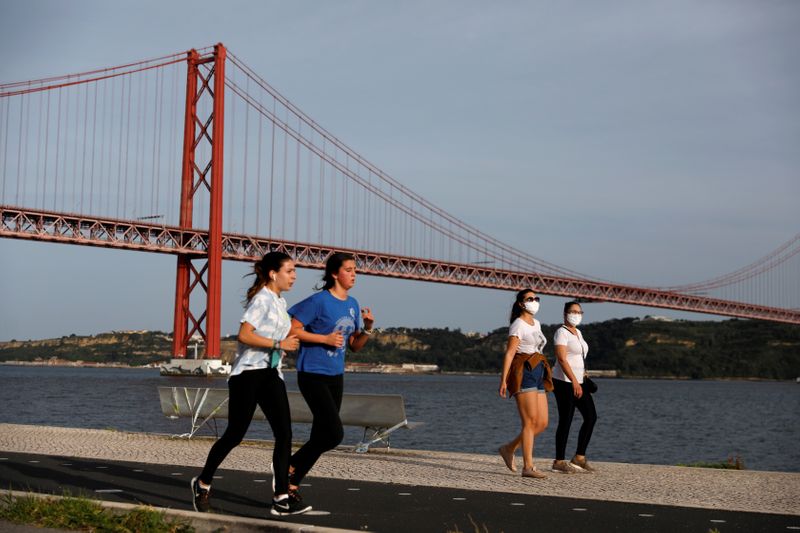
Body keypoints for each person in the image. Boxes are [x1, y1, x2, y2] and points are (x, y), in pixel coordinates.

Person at [190, 252, 312, 516]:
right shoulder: (262, 300)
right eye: (289, 271)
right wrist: (280, 344)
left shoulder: (280, 301)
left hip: (271, 374)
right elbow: (244, 335)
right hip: (248, 375)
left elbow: (287, 333)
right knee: (235, 435)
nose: (294, 276)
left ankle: (280, 498)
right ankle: (202, 483)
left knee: (285, 433)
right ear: (272, 274)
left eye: (294, 271)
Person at [285, 252, 375, 497]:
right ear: (334, 273)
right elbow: (292, 330)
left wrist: (367, 329)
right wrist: (323, 338)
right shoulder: (319, 301)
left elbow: (355, 346)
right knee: (334, 434)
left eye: (355, 269)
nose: (354, 273)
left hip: (336, 375)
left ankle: (291, 484)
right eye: (348, 269)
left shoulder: (353, 304)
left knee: (320, 434)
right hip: (312, 373)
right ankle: (287, 465)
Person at [498, 289, 553, 479]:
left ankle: (509, 448)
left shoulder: (536, 323)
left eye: (536, 298)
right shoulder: (518, 325)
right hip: (524, 372)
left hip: (538, 369)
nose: (535, 301)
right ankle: (528, 467)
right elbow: (510, 354)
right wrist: (504, 380)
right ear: (521, 303)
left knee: (542, 423)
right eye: (530, 299)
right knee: (529, 422)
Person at [551, 300, 598, 474]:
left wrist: (582, 377)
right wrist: (574, 381)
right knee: (566, 419)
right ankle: (559, 461)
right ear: (565, 314)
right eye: (573, 311)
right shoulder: (560, 333)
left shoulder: (578, 332)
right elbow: (562, 359)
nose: (576, 314)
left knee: (591, 417)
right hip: (564, 382)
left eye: (579, 312)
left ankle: (579, 457)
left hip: (580, 381)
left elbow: (578, 357)